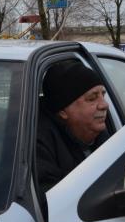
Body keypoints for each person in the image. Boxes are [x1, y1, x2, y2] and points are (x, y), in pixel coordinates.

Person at [37, 61, 109, 192]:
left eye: (103, 95)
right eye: (92, 98)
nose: (104, 105)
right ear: (63, 111)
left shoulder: (108, 135)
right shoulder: (40, 144)